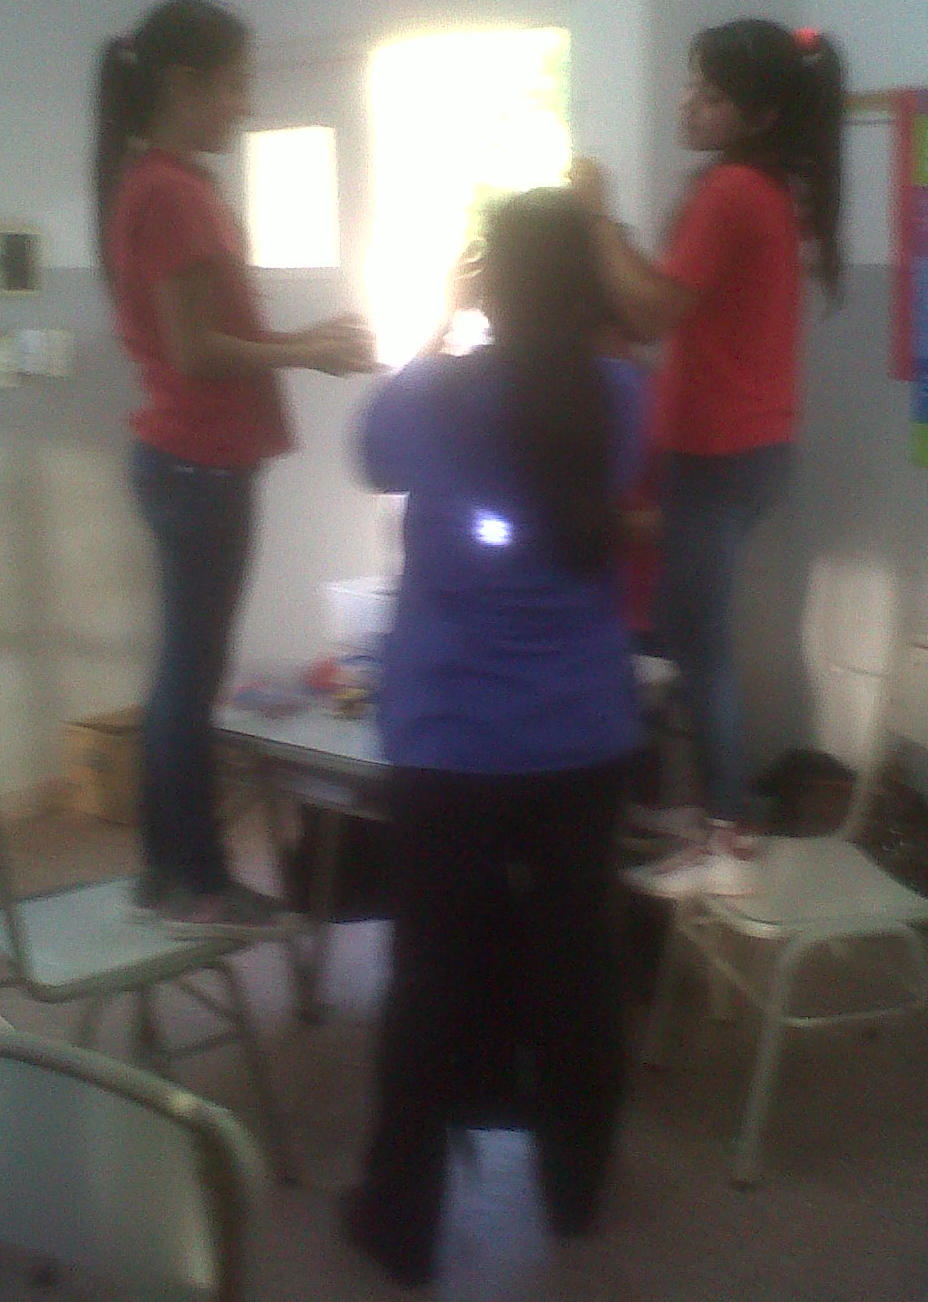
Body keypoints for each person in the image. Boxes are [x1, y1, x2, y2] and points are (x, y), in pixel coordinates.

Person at [341, 187, 645, 1288]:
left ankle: (401, 1220)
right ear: (587, 284)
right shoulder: (621, 394)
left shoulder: (435, 391)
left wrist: (438, 315)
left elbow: (371, 454)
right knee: (578, 960)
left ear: (492, 283)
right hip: (582, 732)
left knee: (431, 974)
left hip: (450, 736)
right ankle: (575, 1188)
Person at [95, 0, 374, 937]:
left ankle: (166, 874)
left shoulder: (163, 183)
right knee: (190, 679)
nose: (246, 105)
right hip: (197, 462)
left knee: (184, 671)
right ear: (184, 84)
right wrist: (308, 351)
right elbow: (196, 352)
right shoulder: (170, 192)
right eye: (235, 85)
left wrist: (303, 341)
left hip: (191, 461)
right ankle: (197, 883)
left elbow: (207, 335)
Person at [572, 17, 845, 895]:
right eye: (693, 84)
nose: (689, 103)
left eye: (713, 95)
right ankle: (713, 812)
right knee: (688, 634)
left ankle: (728, 825)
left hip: (719, 451)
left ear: (760, 116)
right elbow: (667, 295)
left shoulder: (731, 191)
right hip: (744, 448)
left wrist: (596, 218)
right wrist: (616, 241)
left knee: (701, 647)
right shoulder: (757, 189)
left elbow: (650, 312)